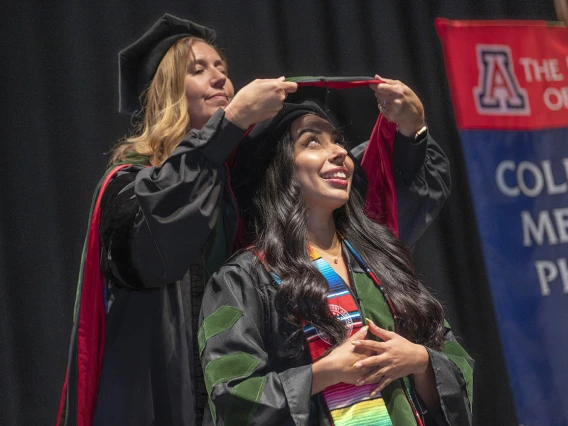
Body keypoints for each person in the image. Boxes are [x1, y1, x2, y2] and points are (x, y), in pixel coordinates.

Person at [57, 13, 451, 426]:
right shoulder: (130, 186)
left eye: (222, 70)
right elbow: (158, 251)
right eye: (198, 70)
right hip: (161, 389)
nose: (219, 79)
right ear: (165, 93)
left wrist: (411, 132)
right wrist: (229, 125)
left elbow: (356, 192)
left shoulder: (239, 183)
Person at [199, 102, 473, 425]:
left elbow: (456, 361)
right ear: (281, 167)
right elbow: (231, 399)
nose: (340, 152)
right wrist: (322, 374)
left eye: (337, 140)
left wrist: (421, 361)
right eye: (312, 141)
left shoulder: (382, 262)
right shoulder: (243, 279)